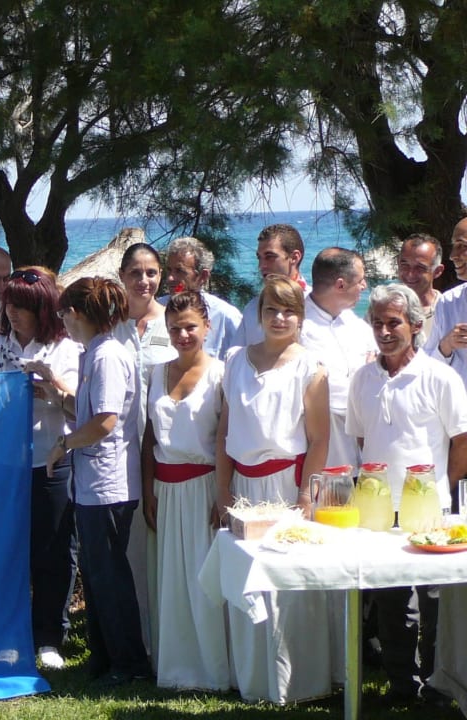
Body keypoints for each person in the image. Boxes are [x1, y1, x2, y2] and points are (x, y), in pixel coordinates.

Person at [346, 283, 467, 704]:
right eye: (376, 322)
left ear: (415, 325)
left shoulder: (440, 376)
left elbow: (462, 442)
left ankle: (437, 684)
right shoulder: (361, 379)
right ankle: (401, 685)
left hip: (429, 510)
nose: (384, 331)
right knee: (390, 600)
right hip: (378, 511)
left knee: (435, 603)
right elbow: (364, 441)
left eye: (393, 322)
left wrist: (441, 493)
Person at [217, 274, 334, 704]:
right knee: (248, 581)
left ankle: (300, 680)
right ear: (260, 314)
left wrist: (307, 494)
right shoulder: (234, 360)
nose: (279, 317)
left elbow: (319, 438)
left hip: (287, 485)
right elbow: (225, 430)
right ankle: (255, 679)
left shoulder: (311, 366)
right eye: (271, 309)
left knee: (289, 583)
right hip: (244, 485)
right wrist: (222, 487)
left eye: (288, 310)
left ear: (300, 317)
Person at [0, 267, 80, 671]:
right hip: (4, 464)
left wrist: (51, 387)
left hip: (52, 459)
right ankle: (10, 633)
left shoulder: (64, 349)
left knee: (54, 551)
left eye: (23, 306)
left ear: (43, 309)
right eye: (9, 305)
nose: (13, 313)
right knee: (10, 551)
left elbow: (79, 408)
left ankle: (50, 635)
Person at [43, 276, 148, 686]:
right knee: (98, 570)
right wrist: (54, 389)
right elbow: (86, 410)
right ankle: (105, 658)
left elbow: (104, 422)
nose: (63, 322)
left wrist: (63, 445)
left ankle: (130, 663)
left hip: (108, 484)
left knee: (109, 575)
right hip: (93, 483)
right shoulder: (94, 355)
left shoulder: (107, 356)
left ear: (77, 313)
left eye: (64, 313)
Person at [142, 291, 230, 691]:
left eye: (190, 327)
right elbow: (148, 437)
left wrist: (222, 495)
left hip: (203, 487)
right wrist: (148, 491)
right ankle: (174, 667)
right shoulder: (156, 373)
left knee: (203, 581)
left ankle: (211, 670)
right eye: (175, 328)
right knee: (171, 582)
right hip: (165, 488)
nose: (182, 335)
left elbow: (224, 440)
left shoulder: (221, 373)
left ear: (207, 327)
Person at [111, 242, 176, 665]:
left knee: (163, 549)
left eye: (152, 272)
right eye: (135, 272)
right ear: (122, 276)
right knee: (129, 550)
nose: (144, 280)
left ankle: (168, 643)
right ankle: (136, 645)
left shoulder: (172, 324)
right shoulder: (110, 325)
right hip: (115, 451)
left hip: (162, 452)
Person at [299, 248, 374, 468]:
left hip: (362, 450)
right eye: (360, 280)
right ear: (340, 285)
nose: (364, 286)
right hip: (323, 456)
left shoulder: (356, 325)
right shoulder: (299, 329)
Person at [160, 237, 241, 359]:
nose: (170, 278)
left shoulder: (225, 316)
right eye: (169, 270)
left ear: (203, 276)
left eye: (179, 271)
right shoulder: (158, 309)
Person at [235, 224, 310, 345]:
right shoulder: (252, 309)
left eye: (270, 257)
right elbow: (237, 358)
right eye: (259, 258)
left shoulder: (315, 304)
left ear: (294, 258)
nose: (261, 266)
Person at [425, 217, 467, 388]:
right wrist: (446, 345)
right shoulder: (448, 302)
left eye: (462, 246)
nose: (452, 256)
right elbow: (427, 366)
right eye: (453, 246)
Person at [397, 233, 444, 339]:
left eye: (420, 268)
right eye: (405, 265)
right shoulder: (383, 306)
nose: (410, 274)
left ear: (437, 271)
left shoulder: (447, 310)